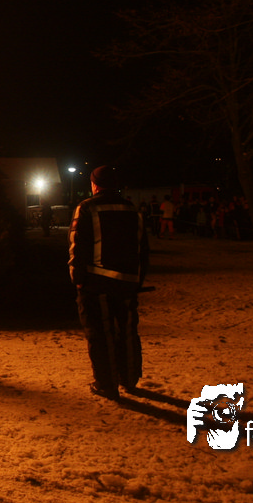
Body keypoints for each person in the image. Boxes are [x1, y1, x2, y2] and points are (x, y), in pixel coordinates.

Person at [68, 165, 149, 401]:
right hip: (127, 282)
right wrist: (138, 279)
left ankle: (106, 384)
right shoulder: (132, 209)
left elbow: (77, 245)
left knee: (100, 334)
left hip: (96, 282)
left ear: (94, 185)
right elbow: (143, 248)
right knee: (127, 331)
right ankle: (129, 377)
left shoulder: (87, 207)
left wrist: (78, 279)